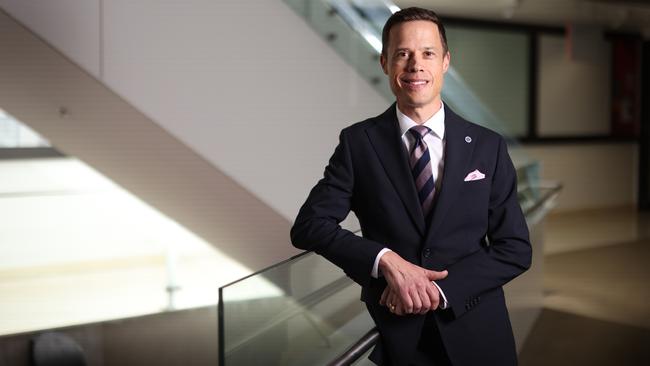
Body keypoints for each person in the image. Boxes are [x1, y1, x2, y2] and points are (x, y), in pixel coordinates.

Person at [291, 7, 531, 366]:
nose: (415, 65)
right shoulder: (359, 143)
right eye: (403, 54)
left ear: (446, 61)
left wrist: (435, 290)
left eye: (428, 53)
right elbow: (310, 226)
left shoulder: (487, 146)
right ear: (385, 62)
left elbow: (514, 248)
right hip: (401, 338)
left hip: (479, 332)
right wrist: (383, 260)